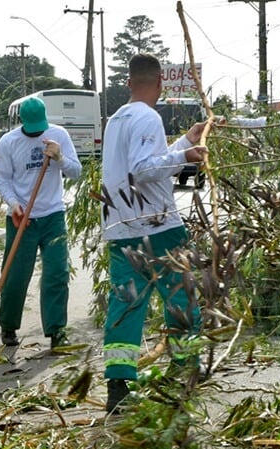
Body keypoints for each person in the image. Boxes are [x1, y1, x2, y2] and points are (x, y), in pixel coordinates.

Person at [100, 53, 208, 413]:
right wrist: (186, 158)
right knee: (181, 294)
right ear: (160, 82)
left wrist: (180, 144)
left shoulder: (118, 118)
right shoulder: (147, 116)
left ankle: (118, 381)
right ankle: (185, 364)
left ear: (129, 83)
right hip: (157, 224)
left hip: (121, 227)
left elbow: (144, 160)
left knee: (126, 302)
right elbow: (143, 170)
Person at [0, 96, 81, 351]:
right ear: (22, 122)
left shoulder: (59, 135)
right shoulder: (9, 142)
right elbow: (3, 180)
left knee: (57, 273)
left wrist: (60, 158)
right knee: (15, 275)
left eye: (39, 128)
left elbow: (76, 171)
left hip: (53, 215)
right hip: (22, 218)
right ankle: (8, 326)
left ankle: (56, 330)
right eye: (31, 129)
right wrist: (13, 204)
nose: (36, 133)